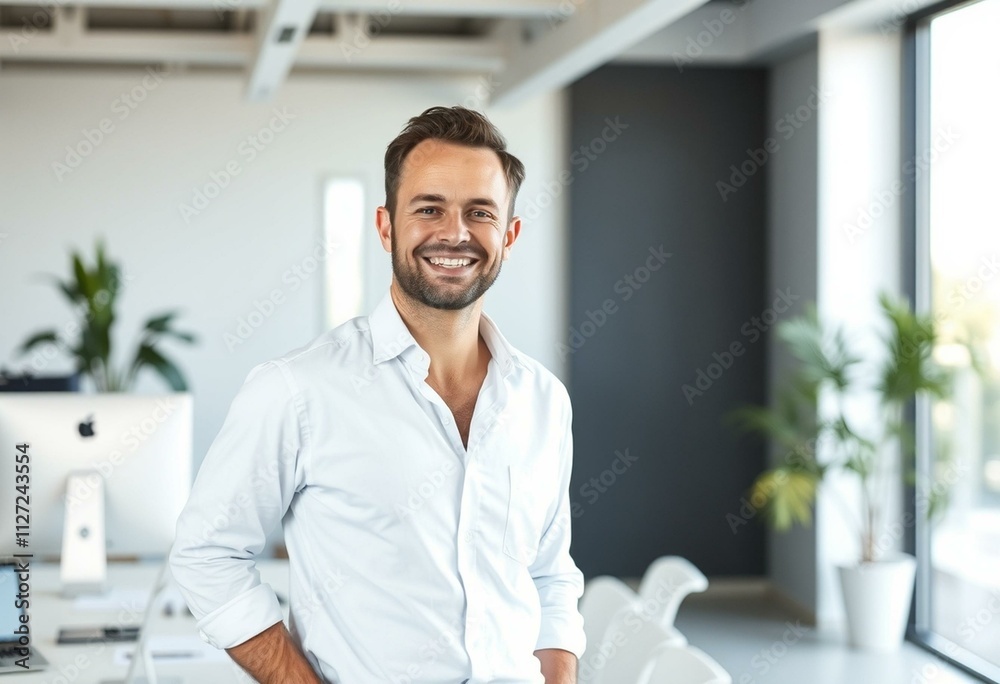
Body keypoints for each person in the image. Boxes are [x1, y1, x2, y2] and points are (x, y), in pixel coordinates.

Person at [168, 105, 586, 684]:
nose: (455, 233)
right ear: (386, 227)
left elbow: (548, 573)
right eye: (429, 208)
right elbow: (207, 555)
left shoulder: (543, 400)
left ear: (509, 236)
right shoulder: (297, 390)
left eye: (480, 212)